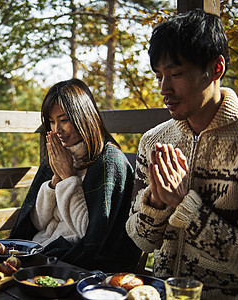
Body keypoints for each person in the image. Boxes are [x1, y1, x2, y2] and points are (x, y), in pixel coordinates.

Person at [125, 9, 238, 299]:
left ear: (216, 68)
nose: (164, 88)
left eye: (175, 73)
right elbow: (141, 240)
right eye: (159, 75)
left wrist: (186, 206)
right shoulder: (153, 141)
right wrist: (156, 203)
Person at [10, 78, 142, 272]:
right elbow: (37, 223)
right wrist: (55, 182)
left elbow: (89, 235)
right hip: (41, 249)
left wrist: (69, 178)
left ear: (84, 118)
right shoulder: (58, 155)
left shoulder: (109, 162)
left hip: (75, 259)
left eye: (64, 120)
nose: (57, 130)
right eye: (51, 122)